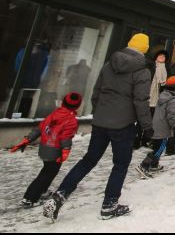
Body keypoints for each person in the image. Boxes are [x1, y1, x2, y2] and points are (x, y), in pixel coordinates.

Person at [44, 34, 154, 222]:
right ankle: (109, 204)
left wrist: (99, 112)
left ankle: (60, 195)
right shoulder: (142, 70)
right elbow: (140, 101)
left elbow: (96, 93)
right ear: (145, 49)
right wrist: (147, 127)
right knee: (120, 164)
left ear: (129, 44)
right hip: (123, 124)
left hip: (101, 121)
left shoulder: (109, 63)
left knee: (88, 160)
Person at [11, 92, 82, 208]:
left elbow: (40, 127)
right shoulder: (71, 120)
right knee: (46, 174)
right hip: (55, 150)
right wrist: (66, 150)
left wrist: (27, 139)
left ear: (63, 102)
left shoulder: (54, 114)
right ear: (77, 106)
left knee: (48, 171)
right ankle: (29, 198)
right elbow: (66, 137)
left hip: (44, 147)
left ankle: (43, 192)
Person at [136, 76, 175, 179]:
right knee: (159, 149)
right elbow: (171, 117)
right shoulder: (173, 100)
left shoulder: (163, 95)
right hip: (163, 129)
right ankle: (144, 165)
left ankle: (154, 165)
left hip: (156, 126)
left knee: (157, 146)